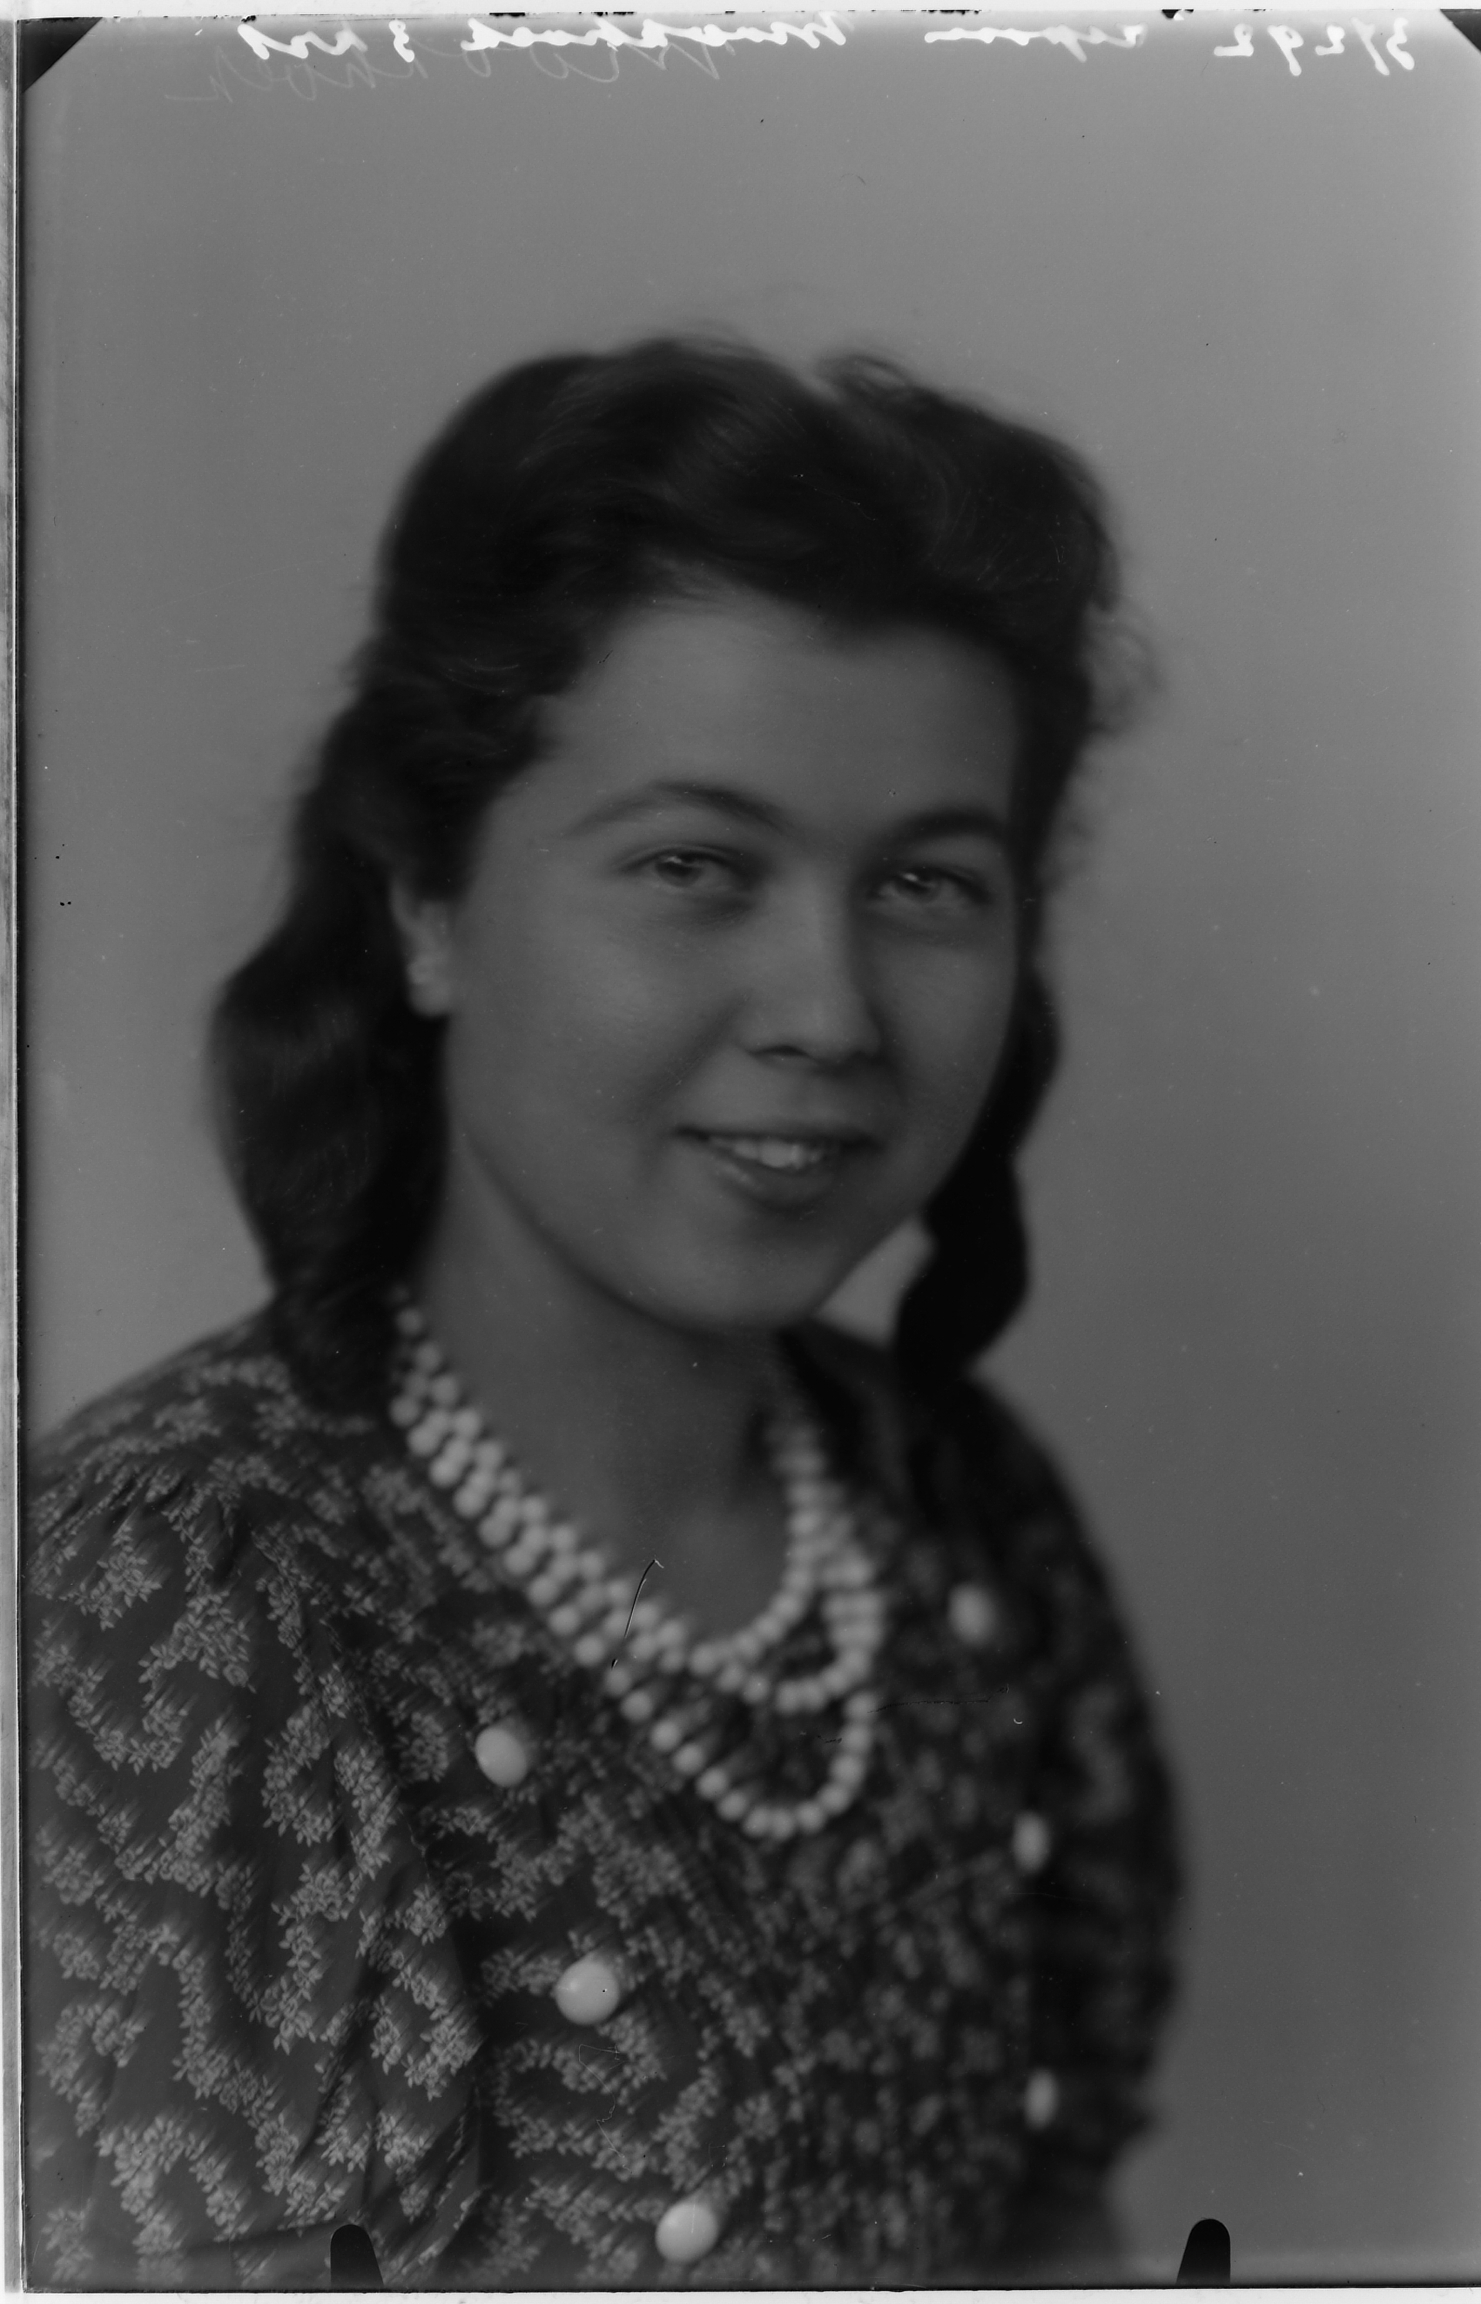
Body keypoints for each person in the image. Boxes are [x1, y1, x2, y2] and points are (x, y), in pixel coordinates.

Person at [25, 338, 1179, 2289]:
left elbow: (1062, 2242)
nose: (827, 1011)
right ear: (427, 903)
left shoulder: (966, 1518)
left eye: (925, 884)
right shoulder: (179, 1600)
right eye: (694, 866)